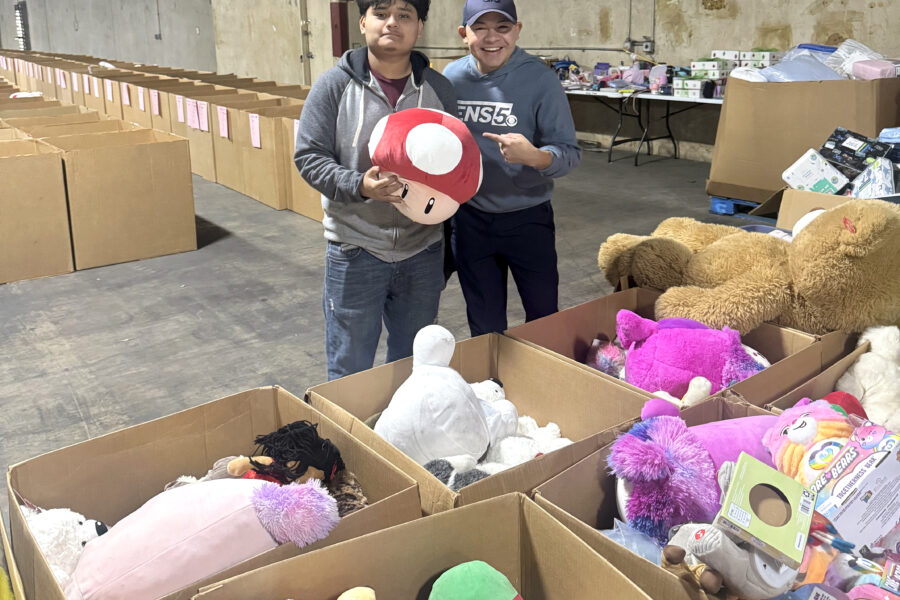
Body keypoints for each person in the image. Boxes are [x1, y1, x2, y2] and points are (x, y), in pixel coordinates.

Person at [294, 0, 457, 380]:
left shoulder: (439, 90)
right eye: (381, 13)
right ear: (363, 22)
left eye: (405, 15)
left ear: (419, 27)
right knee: (350, 369)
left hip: (422, 249)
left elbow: (457, 160)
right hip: (355, 248)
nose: (392, 23)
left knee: (415, 367)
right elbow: (309, 156)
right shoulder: (334, 86)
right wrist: (359, 185)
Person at [443, 0, 582, 337]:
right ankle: (492, 372)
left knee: (543, 318)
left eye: (502, 28)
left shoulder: (540, 79)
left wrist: (535, 157)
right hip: (470, 219)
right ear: (464, 34)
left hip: (528, 219)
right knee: (485, 325)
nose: (492, 38)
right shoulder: (451, 78)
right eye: (480, 28)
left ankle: (543, 370)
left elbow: (569, 152)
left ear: (517, 30)